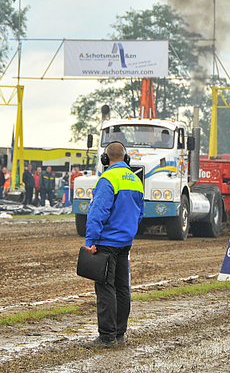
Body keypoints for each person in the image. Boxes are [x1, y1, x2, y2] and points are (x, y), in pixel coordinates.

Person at [85, 142, 144, 348]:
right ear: (125, 158)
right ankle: (119, 334)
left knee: (105, 288)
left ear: (105, 159)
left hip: (107, 242)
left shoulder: (107, 178)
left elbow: (98, 212)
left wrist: (90, 240)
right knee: (122, 287)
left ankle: (107, 337)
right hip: (125, 243)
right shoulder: (136, 181)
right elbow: (140, 213)